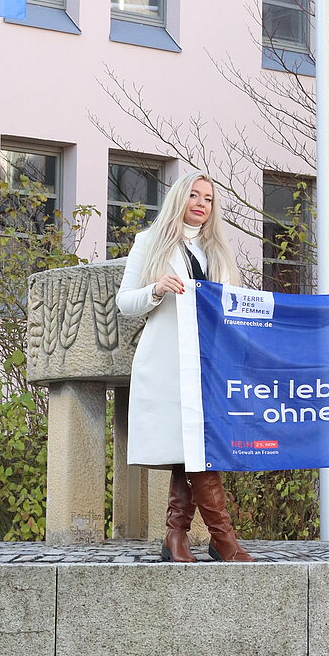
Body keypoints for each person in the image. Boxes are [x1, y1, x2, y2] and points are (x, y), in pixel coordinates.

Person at [116, 172, 253, 563]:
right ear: (179, 199)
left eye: (208, 199)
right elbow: (125, 303)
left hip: (210, 364)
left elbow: (235, 310)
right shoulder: (150, 242)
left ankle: (176, 536)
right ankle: (221, 538)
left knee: (194, 449)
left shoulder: (220, 252)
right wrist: (156, 289)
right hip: (169, 364)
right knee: (192, 449)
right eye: (194, 195)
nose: (200, 203)